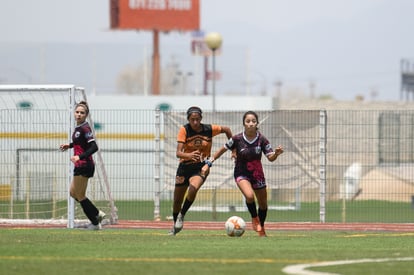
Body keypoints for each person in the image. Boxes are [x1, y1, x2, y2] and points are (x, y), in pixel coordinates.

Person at [210, 111, 283, 237]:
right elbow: (222, 149)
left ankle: (262, 229)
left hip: (257, 174)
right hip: (241, 173)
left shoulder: (262, 140)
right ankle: (255, 219)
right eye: (248, 121)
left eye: (253, 121)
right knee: (249, 196)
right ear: (244, 123)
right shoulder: (237, 139)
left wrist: (276, 153)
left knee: (263, 204)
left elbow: (270, 157)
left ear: (257, 123)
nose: (250, 123)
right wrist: (210, 161)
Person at [169, 106, 232, 235]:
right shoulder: (184, 130)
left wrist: (234, 149)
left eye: (198, 119)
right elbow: (178, 153)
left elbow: (226, 129)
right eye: (193, 120)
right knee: (176, 201)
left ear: (201, 118)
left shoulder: (209, 129)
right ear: (188, 119)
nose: (195, 122)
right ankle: (175, 227)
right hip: (184, 167)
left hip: (201, 167)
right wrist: (189, 155)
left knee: (193, 188)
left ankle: (182, 215)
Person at [59, 101, 105, 230]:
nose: (79, 114)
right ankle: (96, 215)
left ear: (86, 115)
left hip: (85, 164)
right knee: (73, 193)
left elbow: (94, 146)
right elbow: (80, 142)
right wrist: (70, 145)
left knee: (79, 194)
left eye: (82, 113)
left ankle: (95, 221)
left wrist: (79, 156)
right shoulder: (78, 128)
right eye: (77, 112)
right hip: (80, 164)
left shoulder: (85, 128)